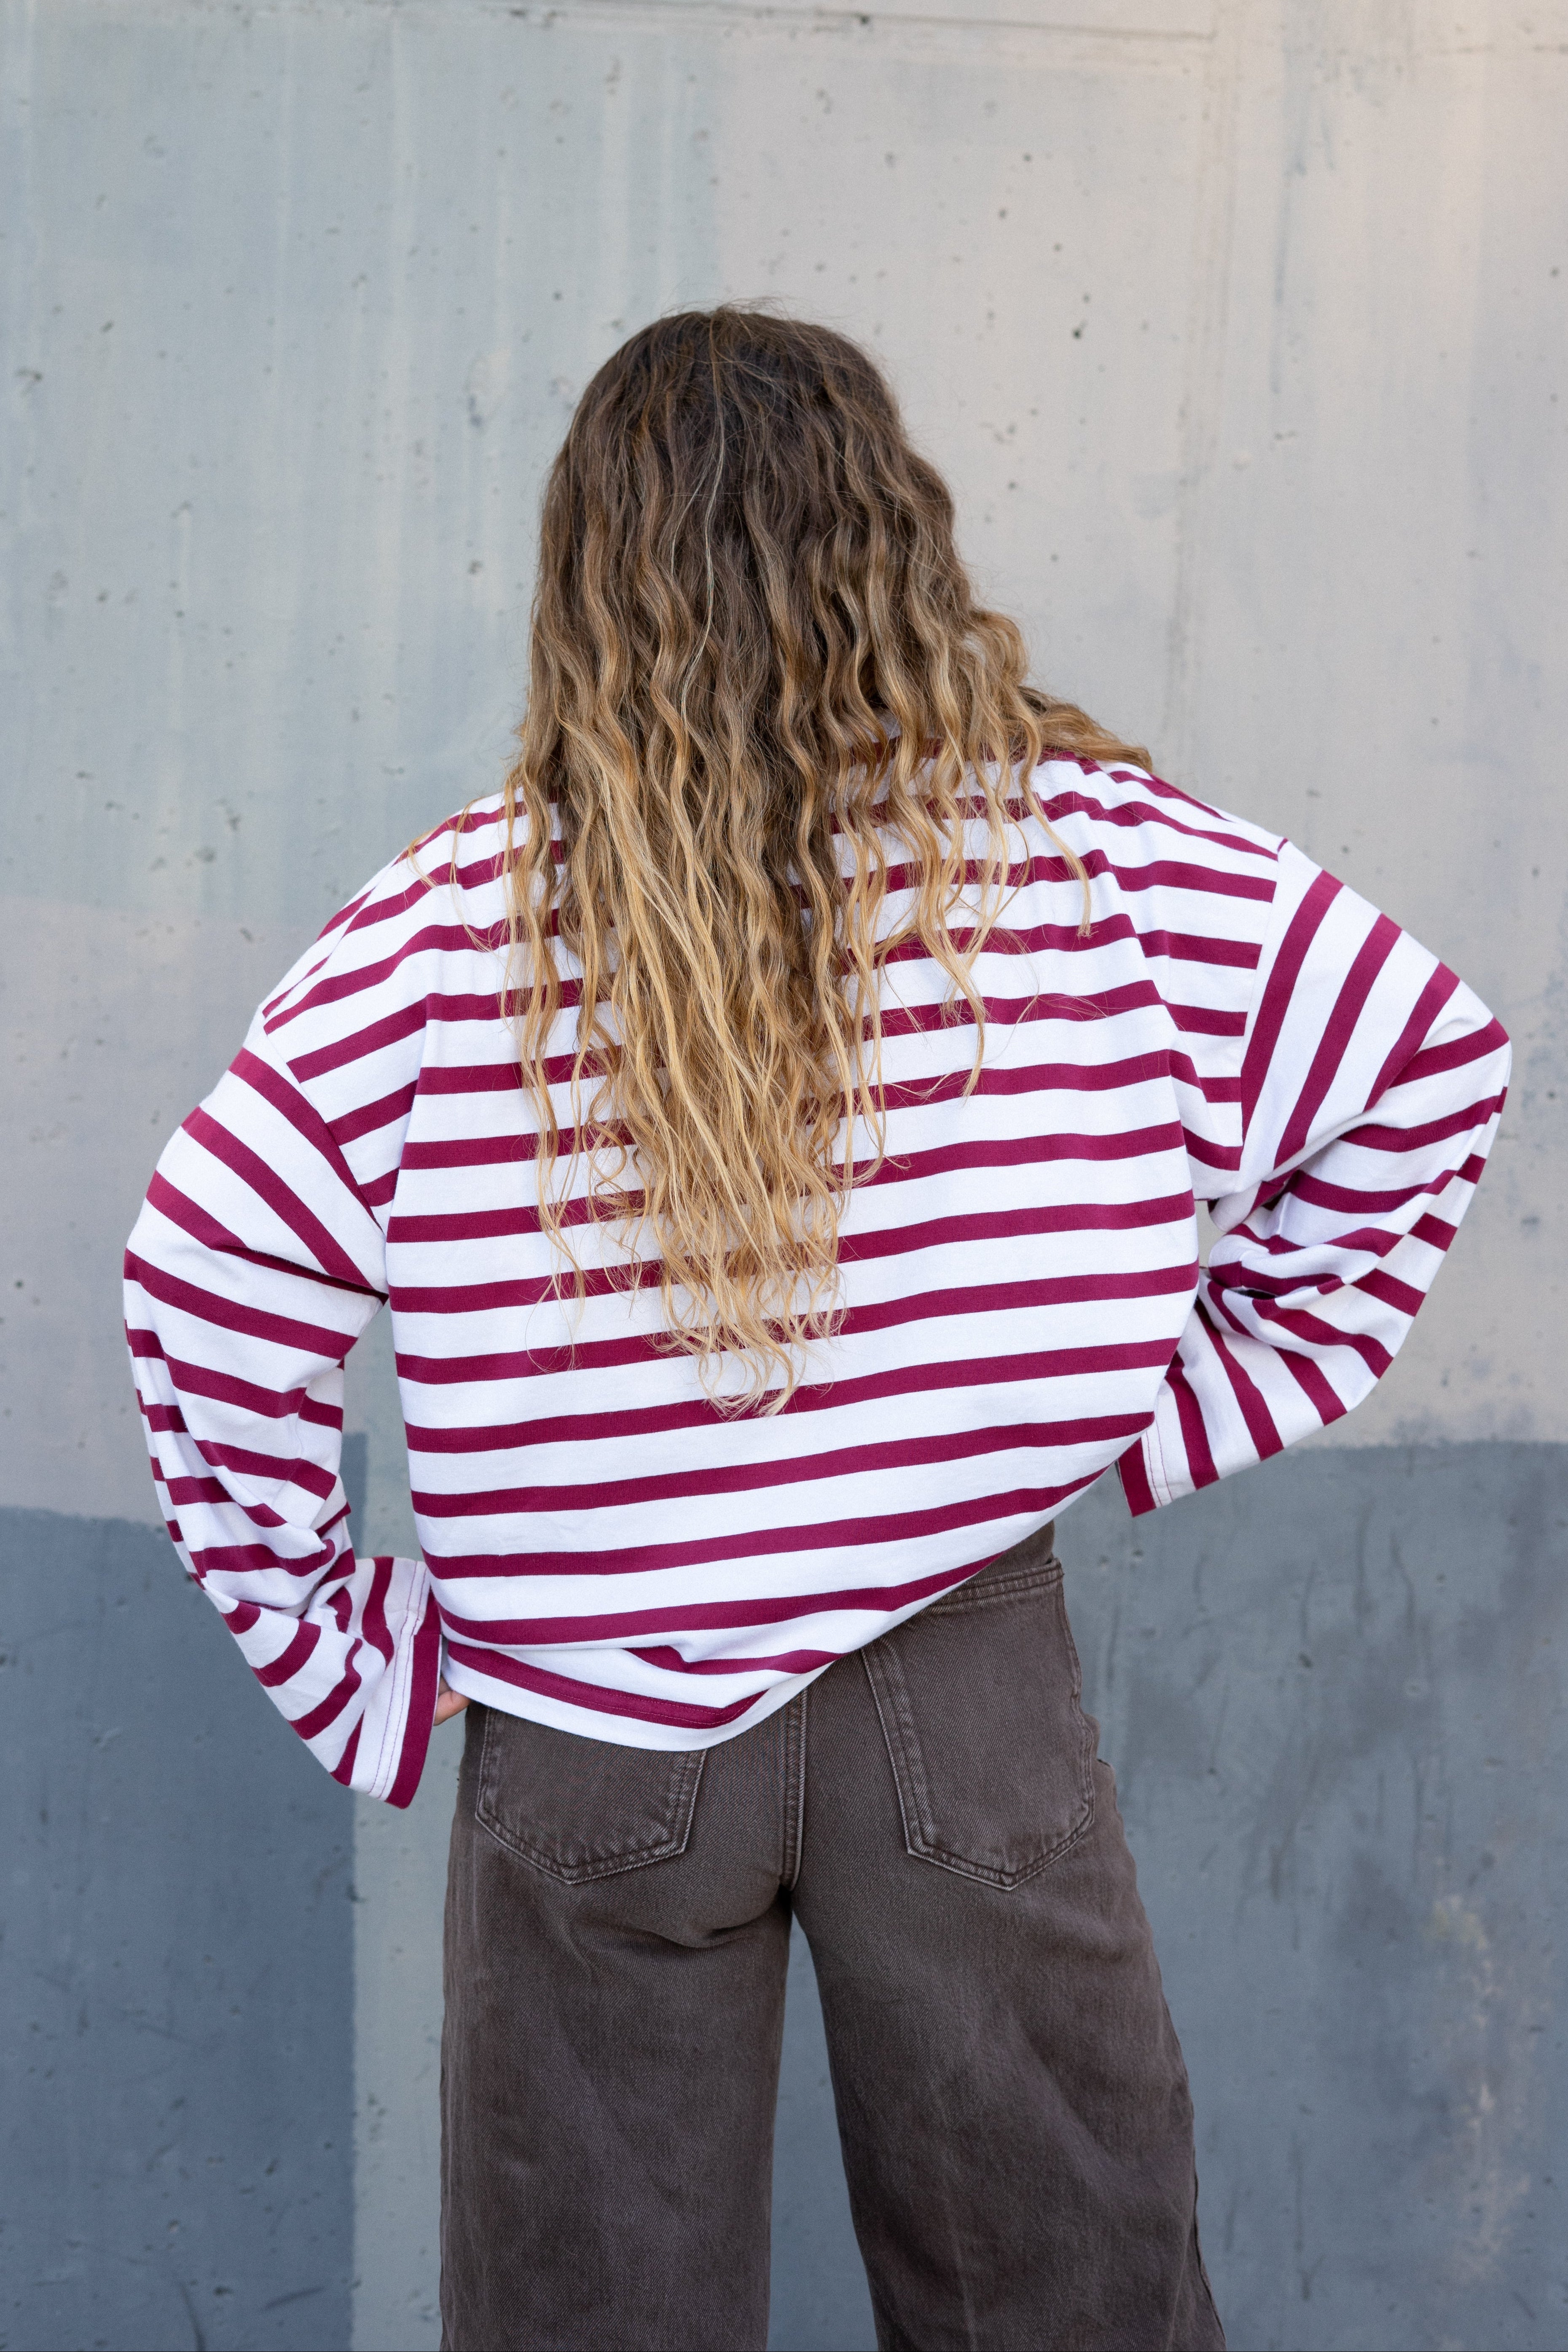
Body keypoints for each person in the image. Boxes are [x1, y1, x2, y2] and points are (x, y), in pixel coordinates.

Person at [124, 307, 1509, 2352]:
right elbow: (1427, 1067)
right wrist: (1166, 1410)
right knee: (1066, 2295)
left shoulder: (442, 929)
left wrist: (367, 1659)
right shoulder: (1095, 866)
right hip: (964, 1681)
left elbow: (201, 1281)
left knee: (587, 2313)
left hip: (584, 1720)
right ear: (893, 543)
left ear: (591, 578)